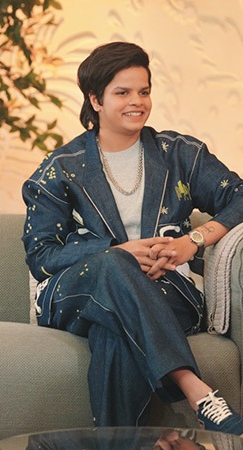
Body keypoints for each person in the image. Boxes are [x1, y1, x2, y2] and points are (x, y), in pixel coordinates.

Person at [22, 42, 243, 434]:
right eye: (122, 92)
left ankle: (117, 443)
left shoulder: (179, 154)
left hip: (166, 289)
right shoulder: (61, 168)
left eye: (144, 91)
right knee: (113, 266)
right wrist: (116, 252)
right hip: (78, 293)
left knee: (115, 331)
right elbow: (41, 255)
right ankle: (194, 388)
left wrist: (193, 240)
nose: (137, 102)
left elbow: (238, 196)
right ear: (96, 99)